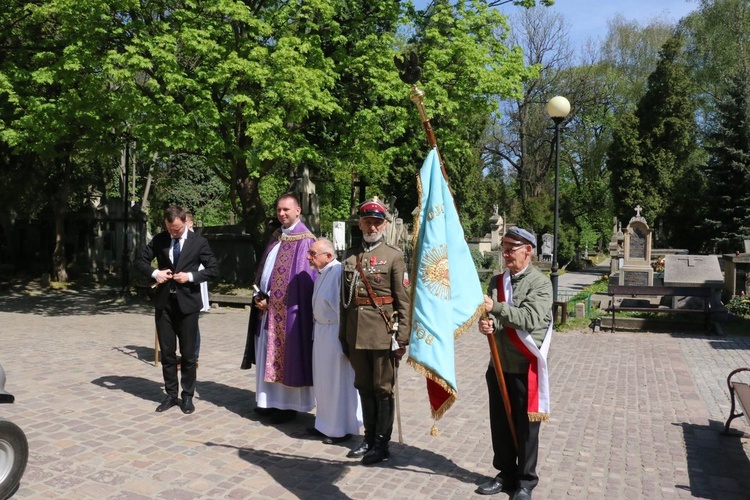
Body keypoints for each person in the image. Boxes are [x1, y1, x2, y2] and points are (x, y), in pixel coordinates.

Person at [475, 227, 553, 500]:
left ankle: (525, 481)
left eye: (511, 248)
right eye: (504, 248)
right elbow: (496, 320)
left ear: (528, 250)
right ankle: (505, 473)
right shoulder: (497, 282)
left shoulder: (541, 284)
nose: (505, 254)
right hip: (498, 365)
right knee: (500, 422)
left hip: (525, 367)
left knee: (526, 426)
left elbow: (529, 319)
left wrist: (495, 309)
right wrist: (488, 324)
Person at [340, 197, 410, 465]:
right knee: (364, 386)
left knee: (383, 389)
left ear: (384, 225)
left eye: (377, 222)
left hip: (383, 333)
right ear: (360, 224)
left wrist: (402, 336)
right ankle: (368, 438)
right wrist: (343, 335)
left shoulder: (394, 256)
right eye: (368, 221)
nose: (372, 226)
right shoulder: (349, 255)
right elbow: (343, 300)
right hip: (355, 332)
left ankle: (382, 443)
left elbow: (403, 299)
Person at [240, 193, 316, 424]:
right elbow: (265, 270)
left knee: (285, 358)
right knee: (266, 354)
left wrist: (273, 302)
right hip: (265, 309)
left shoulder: (305, 241)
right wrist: (258, 293)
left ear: (298, 211)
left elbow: (302, 284)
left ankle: (286, 406)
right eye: (279, 210)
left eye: (286, 210)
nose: (282, 214)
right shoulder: (276, 236)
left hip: (288, 315)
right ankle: (268, 401)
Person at [136, 205, 219, 414]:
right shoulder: (160, 239)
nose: (174, 233)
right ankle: (171, 394)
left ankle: (188, 396)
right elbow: (140, 261)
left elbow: (213, 270)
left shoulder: (198, 242)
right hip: (164, 303)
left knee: (189, 355)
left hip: (188, 305)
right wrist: (156, 273)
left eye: (177, 229)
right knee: (167, 353)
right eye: (170, 229)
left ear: (185, 221)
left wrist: (190, 277)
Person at [306, 238, 363, 444]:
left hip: (333, 332)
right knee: (323, 381)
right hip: (321, 331)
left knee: (336, 381)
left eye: (313, 254)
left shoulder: (338, 272)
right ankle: (324, 423)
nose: (308, 258)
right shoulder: (322, 273)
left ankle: (340, 427)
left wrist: (343, 340)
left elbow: (342, 308)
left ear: (328, 256)